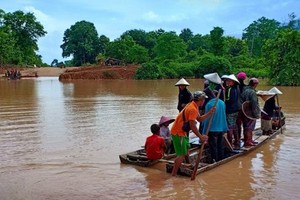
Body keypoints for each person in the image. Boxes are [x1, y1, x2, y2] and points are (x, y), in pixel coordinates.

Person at [170, 91, 215, 176]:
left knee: (186, 150)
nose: (204, 101)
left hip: (183, 132)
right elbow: (192, 126)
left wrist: (209, 113)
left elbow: (199, 119)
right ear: (201, 100)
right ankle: (173, 175)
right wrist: (201, 137)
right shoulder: (192, 109)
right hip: (178, 132)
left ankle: (187, 165)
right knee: (181, 154)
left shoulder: (193, 105)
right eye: (203, 100)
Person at [202, 90, 228, 162]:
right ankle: (221, 158)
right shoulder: (222, 103)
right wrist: (225, 128)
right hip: (221, 127)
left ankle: (214, 159)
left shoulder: (209, 104)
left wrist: (204, 133)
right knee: (220, 144)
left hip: (212, 129)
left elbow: (207, 120)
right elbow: (224, 116)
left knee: (213, 146)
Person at [241, 78, 260, 147]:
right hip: (250, 112)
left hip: (244, 111)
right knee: (250, 127)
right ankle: (248, 141)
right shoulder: (252, 92)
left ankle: (247, 140)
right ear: (255, 84)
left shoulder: (244, 90)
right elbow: (254, 104)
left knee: (246, 126)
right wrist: (256, 114)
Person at [222, 74, 240, 148]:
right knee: (234, 125)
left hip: (230, 110)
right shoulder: (235, 89)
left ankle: (229, 142)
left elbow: (228, 99)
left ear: (233, 82)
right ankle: (237, 141)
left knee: (230, 126)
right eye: (227, 81)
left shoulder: (229, 89)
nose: (227, 82)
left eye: (229, 81)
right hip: (235, 109)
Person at [236, 71, 247, 146]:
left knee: (237, 125)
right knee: (245, 124)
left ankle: (238, 138)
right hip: (245, 109)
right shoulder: (246, 88)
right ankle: (246, 139)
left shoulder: (234, 87)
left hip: (237, 108)